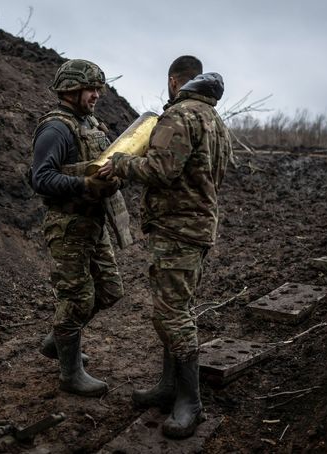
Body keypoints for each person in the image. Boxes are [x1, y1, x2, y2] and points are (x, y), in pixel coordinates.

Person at [98, 55, 232, 437]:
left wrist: (122, 162)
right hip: (199, 227)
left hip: (177, 230)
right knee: (177, 308)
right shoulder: (214, 120)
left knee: (172, 314)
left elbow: (160, 170)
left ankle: (190, 402)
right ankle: (169, 386)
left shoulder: (178, 116)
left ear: (175, 82)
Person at [31, 59, 124, 397]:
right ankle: (70, 373)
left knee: (110, 290)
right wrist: (85, 183)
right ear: (71, 89)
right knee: (77, 298)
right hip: (68, 226)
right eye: (91, 88)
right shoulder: (56, 129)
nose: (97, 94)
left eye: (98, 88)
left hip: (92, 223)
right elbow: (41, 178)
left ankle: (59, 339)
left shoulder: (89, 123)